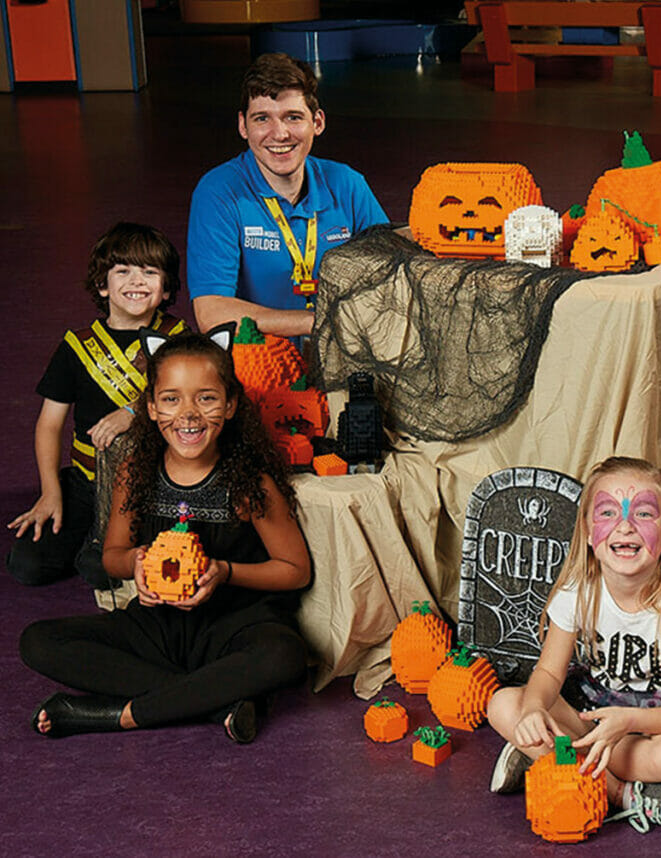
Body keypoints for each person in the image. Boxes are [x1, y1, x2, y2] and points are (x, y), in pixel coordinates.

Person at [20, 327, 311, 743]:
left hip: (235, 625)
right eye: (171, 399)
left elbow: (295, 570)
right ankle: (216, 700)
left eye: (206, 398)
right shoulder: (136, 472)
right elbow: (113, 556)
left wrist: (224, 572)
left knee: (285, 656)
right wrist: (135, 564)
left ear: (229, 406)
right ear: (152, 408)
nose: (188, 414)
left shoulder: (250, 482)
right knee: (38, 641)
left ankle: (114, 714)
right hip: (157, 624)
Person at [487, 457, 661, 836]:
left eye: (644, 513)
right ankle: (623, 795)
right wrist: (531, 710)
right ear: (588, 531)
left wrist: (629, 721)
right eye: (608, 511)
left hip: (648, 728)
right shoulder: (577, 591)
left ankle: (548, 759)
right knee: (503, 704)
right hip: (586, 719)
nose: (625, 525)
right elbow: (547, 673)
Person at [6, 223, 187, 588]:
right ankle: (91, 532)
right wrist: (50, 493)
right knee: (27, 565)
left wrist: (134, 412)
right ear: (103, 285)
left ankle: (99, 542)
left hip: (151, 482)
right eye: (123, 271)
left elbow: (189, 404)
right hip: (86, 480)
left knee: (103, 571)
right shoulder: (76, 347)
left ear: (166, 288)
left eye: (150, 272)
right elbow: (49, 425)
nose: (137, 281)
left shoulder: (180, 341)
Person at [187, 52, 389, 338]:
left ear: (317, 122)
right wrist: (319, 323)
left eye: (293, 117)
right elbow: (212, 312)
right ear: (243, 126)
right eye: (262, 119)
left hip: (344, 352)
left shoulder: (347, 183)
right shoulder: (219, 192)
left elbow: (391, 273)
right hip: (260, 364)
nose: (279, 134)